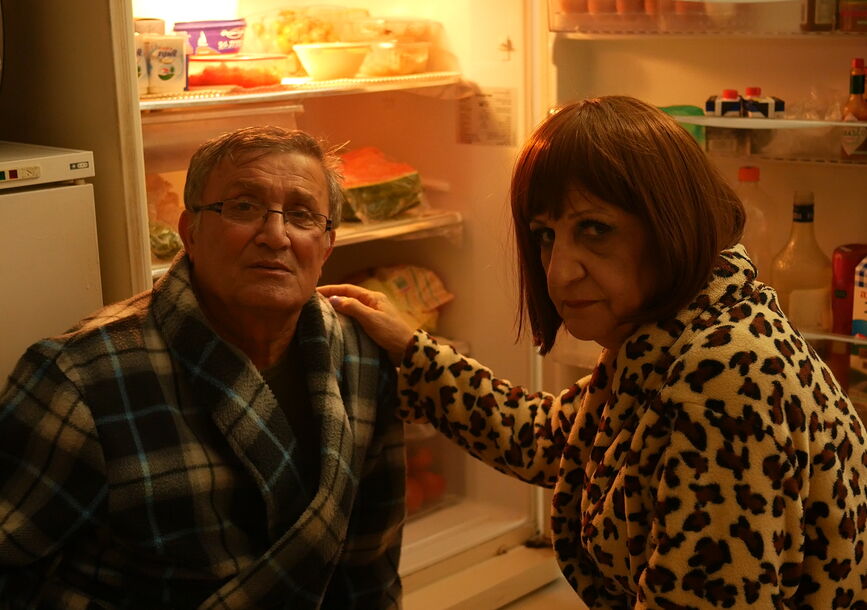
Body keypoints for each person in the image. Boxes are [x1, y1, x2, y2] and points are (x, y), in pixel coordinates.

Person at [320, 96, 867, 608]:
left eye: (596, 230)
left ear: (670, 226)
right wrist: (412, 351)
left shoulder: (722, 374)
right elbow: (552, 439)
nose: (559, 271)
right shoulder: (677, 332)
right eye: (546, 234)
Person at [0, 126, 405, 608]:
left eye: (300, 215)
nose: (275, 235)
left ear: (326, 246)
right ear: (190, 232)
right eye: (243, 207)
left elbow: (369, 563)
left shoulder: (360, 358)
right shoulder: (78, 379)